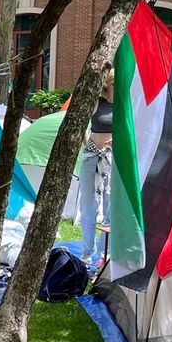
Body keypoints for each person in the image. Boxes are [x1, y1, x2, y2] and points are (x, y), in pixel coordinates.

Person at [79, 71, 113, 264]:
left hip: (111, 158)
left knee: (109, 205)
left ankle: (104, 254)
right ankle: (86, 253)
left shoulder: (123, 104)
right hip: (92, 156)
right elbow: (81, 122)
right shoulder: (97, 102)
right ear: (108, 85)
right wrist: (88, 143)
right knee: (89, 205)